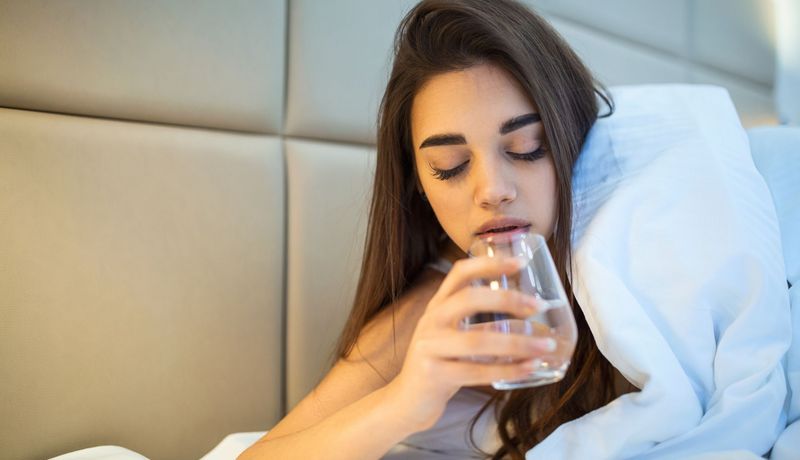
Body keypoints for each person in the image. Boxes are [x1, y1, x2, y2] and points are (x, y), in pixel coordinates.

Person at [239, 0, 636, 458]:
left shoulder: (643, 244)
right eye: (450, 166)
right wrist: (405, 401)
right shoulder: (427, 314)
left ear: (571, 138)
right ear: (421, 185)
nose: (492, 190)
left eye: (528, 147)